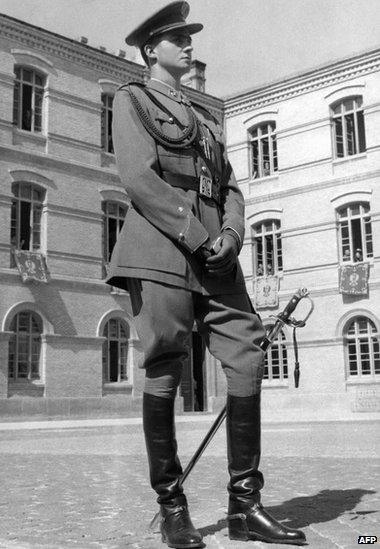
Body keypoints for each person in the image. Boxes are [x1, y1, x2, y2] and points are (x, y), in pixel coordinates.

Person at [106, 2, 306, 547]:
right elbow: (138, 178)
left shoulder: (207, 120)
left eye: (189, 37)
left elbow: (232, 187)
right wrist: (198, 236)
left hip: (219, 258)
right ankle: (172, 508)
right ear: (152, 50)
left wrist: (234, 236)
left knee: (247, 354)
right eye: (176, 38)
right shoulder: (131, 100)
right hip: (162, 251)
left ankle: (245, 506)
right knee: (166, 362)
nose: (188, 44)